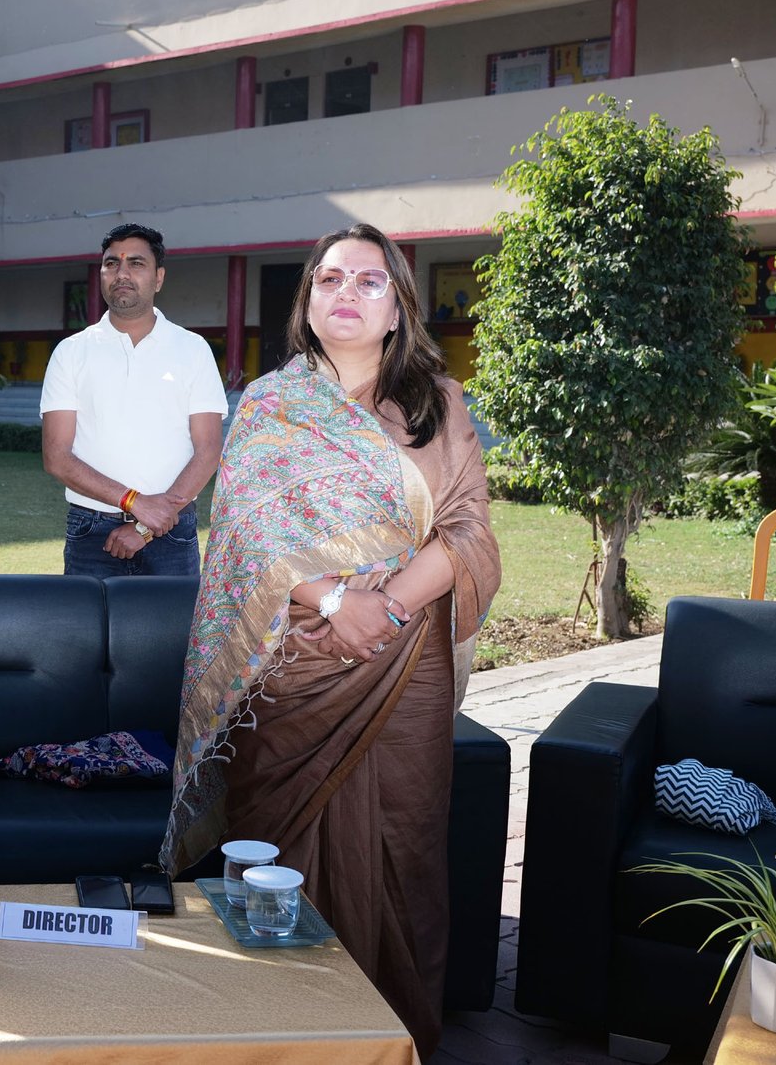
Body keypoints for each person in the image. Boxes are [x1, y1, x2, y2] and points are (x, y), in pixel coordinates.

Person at [159, 224, 501, 1058]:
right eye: (330, 279)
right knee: (277, 851)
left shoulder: (437, 405)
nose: (346, 292)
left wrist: (381, 606)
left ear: (398, 310)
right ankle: (279, 1040)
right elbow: (240, 536)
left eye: (369, 282)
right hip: (290, 663)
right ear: (308, 301)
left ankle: (393, 1040)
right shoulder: (271, 403)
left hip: (403, 659)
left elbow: (468, 533)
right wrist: (333, 597)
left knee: (406, 852)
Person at [40, 223, 227, 576]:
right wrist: (135, 503)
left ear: (158, 278)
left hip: (171, 532)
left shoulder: (192, 349)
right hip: (91, 532)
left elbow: (208, 451)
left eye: (136, 264)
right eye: (111, 264)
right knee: (88, 633)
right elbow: (56, 457)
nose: (121, 273)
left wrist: (146, 524)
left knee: (174, 633)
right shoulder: (71, 352)